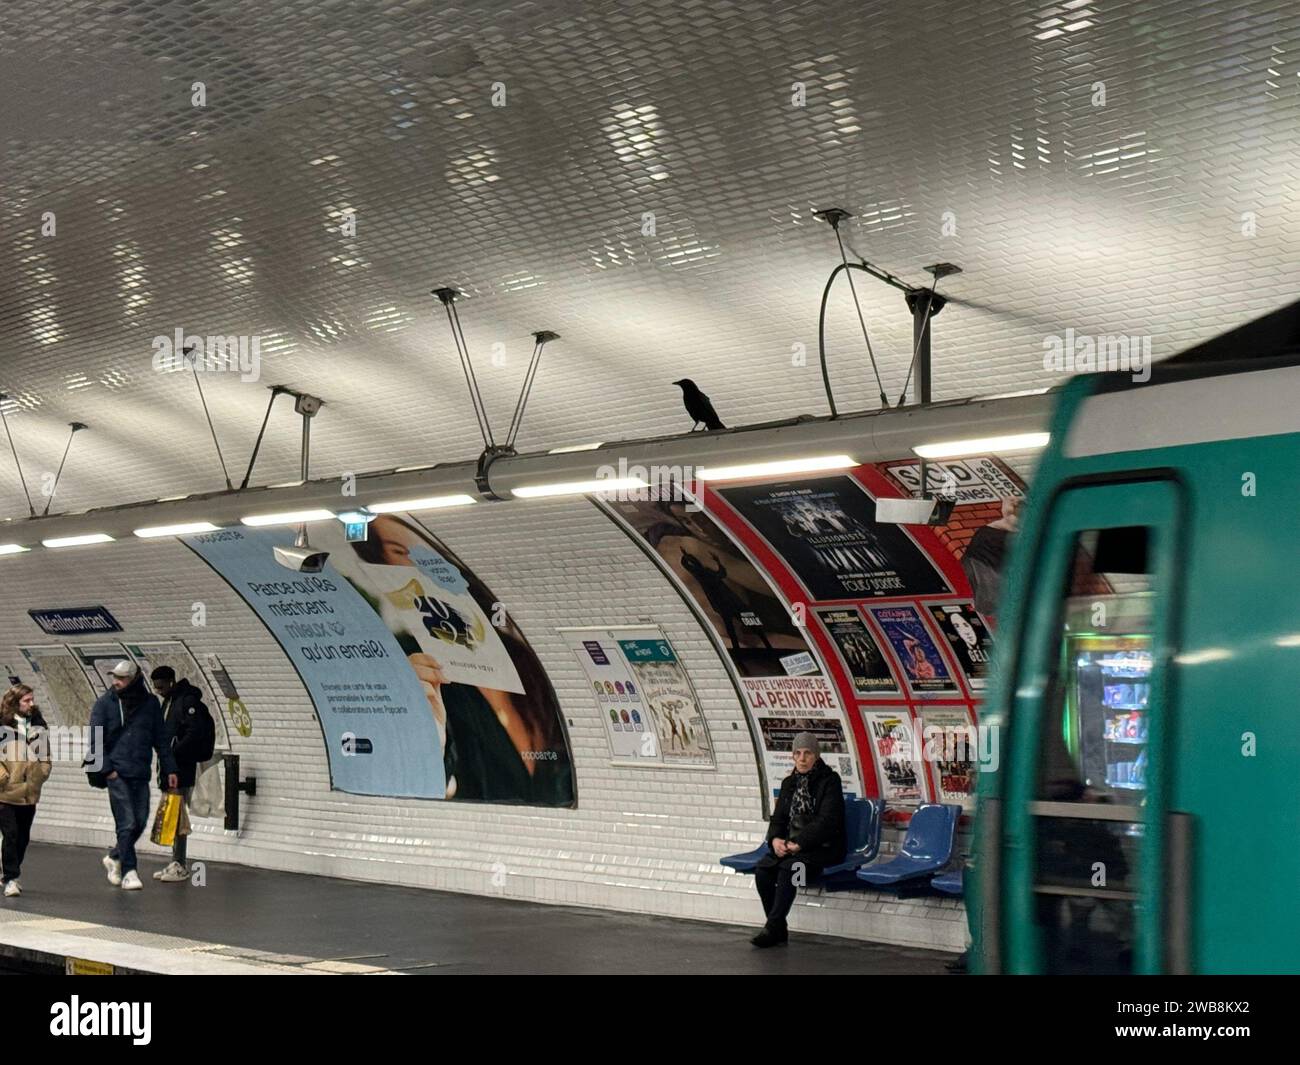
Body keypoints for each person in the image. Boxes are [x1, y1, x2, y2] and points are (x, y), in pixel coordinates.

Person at [87, 662, 177, 891]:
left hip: (140, 771)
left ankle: (115, 856)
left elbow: (161, 740)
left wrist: (170, 769)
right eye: (114, 677)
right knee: (126, 822)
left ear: (134, 679)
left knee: (140, 820)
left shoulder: (150, 704)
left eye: (122, 678)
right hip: (116, 773)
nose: (116, 681)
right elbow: (95, 740)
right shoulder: (104, 704)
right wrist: (108, 770)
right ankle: (129, 871)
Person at [751, 733, 846, 947]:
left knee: (792, 871)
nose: (802, 759)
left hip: (821, 850)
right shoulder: (788, 784)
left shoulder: (830, 782)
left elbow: (827, 821)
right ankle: (777, 926)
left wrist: (800, 843)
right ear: (793, 756)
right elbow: (779, 818)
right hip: (793, 848)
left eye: (808, 753)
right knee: (763, 872)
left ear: (816, 756)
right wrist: (775, 840)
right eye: (798, 753)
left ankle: (773, 927)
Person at [150, 667, 215, 883]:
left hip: (180, 768)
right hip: (169, 768)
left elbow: (193, 731)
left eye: (161, 686)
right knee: (174, 815)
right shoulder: (168, 701)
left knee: (177, 816)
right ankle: (176, 862)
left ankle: (179, 864)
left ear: (171, 682)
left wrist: (174, 753)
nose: (158, 691)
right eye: (155, 687)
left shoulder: (186, 701)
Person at [0, 685, 52, 897]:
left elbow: (45, 756)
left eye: (32, 700)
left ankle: (8, 872)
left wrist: (42, 774)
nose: (31, 704)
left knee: (22, 837)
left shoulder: (39, 726)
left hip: (29, 793)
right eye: (26, 701)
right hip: (5, 791)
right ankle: (12, 878)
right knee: (10, 834)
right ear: (15, 703)